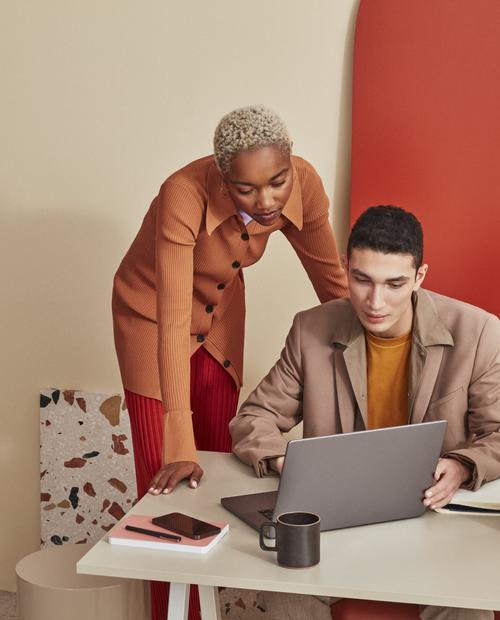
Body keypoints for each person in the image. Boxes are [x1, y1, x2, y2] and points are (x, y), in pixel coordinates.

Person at [112, 105, 348, 620]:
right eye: (246, 190)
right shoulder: (182, 193)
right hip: (151, 318)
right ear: (222, 181)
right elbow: (172, 313)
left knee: (218, 474)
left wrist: (378, 337)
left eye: (278, 181)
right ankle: (172, 614)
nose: (267, 201)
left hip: (220, 315)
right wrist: (178, 434)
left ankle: (211, 606)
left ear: (290, 164)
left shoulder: (302, 182)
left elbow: (332, 282)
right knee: (167, 487)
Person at [230, 205, 500, 620]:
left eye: (394, 284)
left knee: (471, 600)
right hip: (336, 524)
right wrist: (289, 462)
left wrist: (463, 465)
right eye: (362, 280)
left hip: (435, 522)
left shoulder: (479, 332)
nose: (376, 302)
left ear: (420, 277)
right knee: (279, 589)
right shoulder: (311, 328)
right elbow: (254, 417)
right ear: (345, 267)